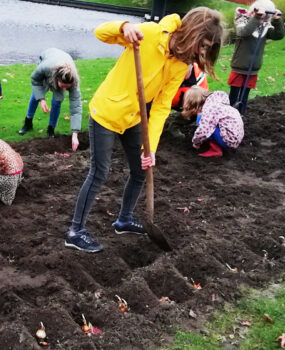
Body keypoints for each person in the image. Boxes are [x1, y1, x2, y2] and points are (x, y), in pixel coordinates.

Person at [65, 7, 224, 253]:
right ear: (191, 32)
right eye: (201, 45)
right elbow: (100, 33)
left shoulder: (181, 65)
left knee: (141, 169)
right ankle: (75, 231)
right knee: (100, 172)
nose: (201, 52)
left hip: (134, 117)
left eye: (206, 48)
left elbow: (161, 107)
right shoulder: (147, 34)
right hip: (107, 113)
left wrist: (150, 147)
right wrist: (123, 27)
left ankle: (124, 220)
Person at [17, 48, 82, 151]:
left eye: (67, 87)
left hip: (64, 59)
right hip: (48, 57)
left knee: (57, 101)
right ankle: (28, 123)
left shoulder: (74, 82)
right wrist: (41, 99)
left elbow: (76, 108)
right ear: (57, 79)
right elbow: (35, 80)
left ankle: (51, 129)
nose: (65, 89)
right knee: (36, 94)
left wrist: (75, 134)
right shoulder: (45, 67)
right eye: (63, 86)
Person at [228, 0, 285, 115]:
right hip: (240, 65)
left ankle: (241, 115)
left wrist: (277, 20)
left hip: (253, 67)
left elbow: (278, 35)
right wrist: (256, 18)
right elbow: (243, 32)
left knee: (244, 96)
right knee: (234, 95)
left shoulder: (265, 26)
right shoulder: (243, 19)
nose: (265, 17)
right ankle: (229, 115)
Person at [182, 87, 244, 157]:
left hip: (228, 140)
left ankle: (216, 150)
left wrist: (196, 143)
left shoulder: (209, 108)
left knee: (201, 119)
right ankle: (217, 141)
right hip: (236, 136)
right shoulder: (217, 99)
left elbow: (203, 130)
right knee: (209, 122)